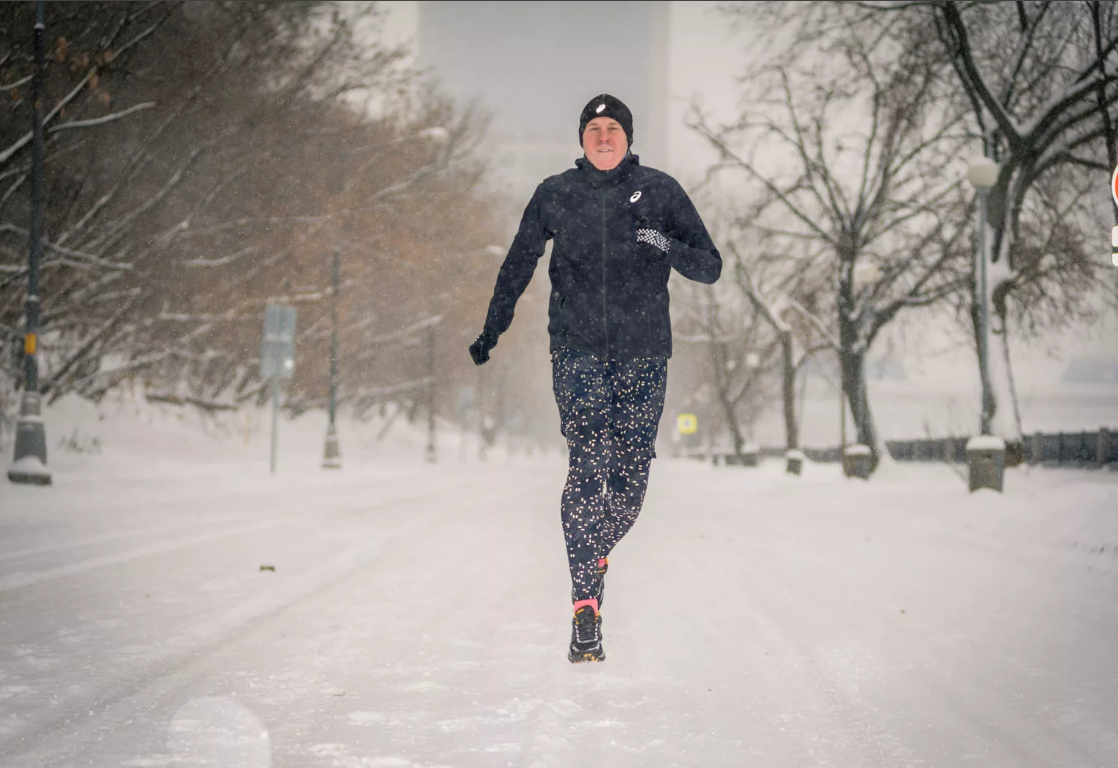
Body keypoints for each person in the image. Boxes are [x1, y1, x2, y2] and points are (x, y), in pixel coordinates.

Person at [468, 94, 721, 663]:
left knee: (629, 483)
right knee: (587, 464)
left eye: (613, 129)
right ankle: (586, 602)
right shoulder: (556, 193)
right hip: (576, 352)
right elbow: (518, 264)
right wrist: (492, 329)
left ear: (629, 138)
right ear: (581, 139)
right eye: (593, 129)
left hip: (644, 354)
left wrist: (658, 239)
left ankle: (592, 551)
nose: (603, 137)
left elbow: (709, 265)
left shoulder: (660, 191)